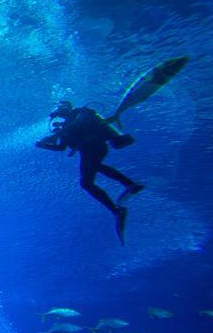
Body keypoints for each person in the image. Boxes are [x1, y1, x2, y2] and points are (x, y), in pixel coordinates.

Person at [35, 101, 144, 245]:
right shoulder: (65, 126)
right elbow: (62, 147)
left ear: (66, 107)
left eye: (60, 108)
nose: (58, 111)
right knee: (89, 178)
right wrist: (44, 146)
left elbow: (79, 123)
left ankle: (125, 194)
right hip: (86, 151)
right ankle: (121, 203)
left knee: (90, 175)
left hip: (96, 146)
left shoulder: (83, 112)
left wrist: (53, 137)